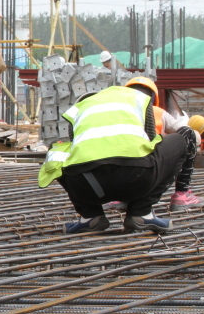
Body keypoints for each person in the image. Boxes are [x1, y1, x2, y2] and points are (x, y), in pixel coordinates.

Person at [39, 83, 193, 234]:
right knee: (178, 141)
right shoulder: (138, 100)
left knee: (57, 150)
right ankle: (141, 212)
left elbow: (74, 145)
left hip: (89, 186)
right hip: (137, 179)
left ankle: (90, 216)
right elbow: (151, 141)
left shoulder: (82, 106)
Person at [123, 77, 202, 210]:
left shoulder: (114, 112)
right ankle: (181, 194)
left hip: (115, 181)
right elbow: (191, 135)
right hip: (149, 174)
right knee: (189, 134)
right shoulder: (158, 112)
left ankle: (119, 198)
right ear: (153, 97)